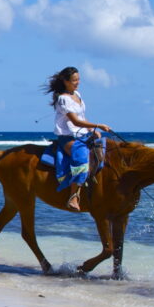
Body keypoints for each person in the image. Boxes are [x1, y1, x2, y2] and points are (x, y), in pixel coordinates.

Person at [45, 66, 111, 211]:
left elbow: (81, 117)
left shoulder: (77, 94)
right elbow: (75, 122)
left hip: (83, 135)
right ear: (65, 81)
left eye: (78, 79)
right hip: (67, 137)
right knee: (81, 158)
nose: (78, 82)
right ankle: (73, 196)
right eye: (74, 80)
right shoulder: (63, 99)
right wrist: (98, 125)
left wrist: (92, 130)